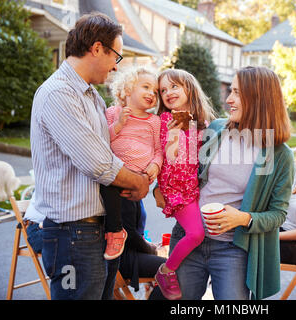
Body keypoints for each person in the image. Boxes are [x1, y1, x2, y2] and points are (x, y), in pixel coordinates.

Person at [30, 13, 149, 300]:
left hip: (94, 231)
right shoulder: (59, 94)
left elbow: (105, 149)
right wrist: (138, 183)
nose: (114, 66)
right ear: (97, 48)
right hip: (73, 234)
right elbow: (97, 163)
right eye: (115, 56)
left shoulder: (90, 95)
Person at [170, 66, 294, 300]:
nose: (228, 100)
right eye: (230, 91)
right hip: (189, 238)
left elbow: (278, 214)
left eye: (236, 92)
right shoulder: (217, 129)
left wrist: (243, 218)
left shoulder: (280, 155)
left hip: (232, 250)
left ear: (258, 98)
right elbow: (184, 171)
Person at [154, 69, 215, 300]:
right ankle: (166, 270)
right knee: (196, 234)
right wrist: (174, 136)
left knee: (197, 234)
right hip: (175, 189)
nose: (168, 93)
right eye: (163, 90)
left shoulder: (203, 124)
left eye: (174, 86)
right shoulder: (164, 120)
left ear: (189, 88)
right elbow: (169, 157)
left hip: (194, 188)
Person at [101, 66, 163, 260]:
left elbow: (159, 150)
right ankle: (130, 241)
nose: (151, 94)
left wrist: (155, 165)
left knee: (137, 218)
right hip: (116, 177)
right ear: (127, 89)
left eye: (155, 91)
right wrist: (118, 124)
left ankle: (140, 247)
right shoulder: (113, 113)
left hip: (140, 177)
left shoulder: (154, 121)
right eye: (146, 87)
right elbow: (102, 141)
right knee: (122, 218)